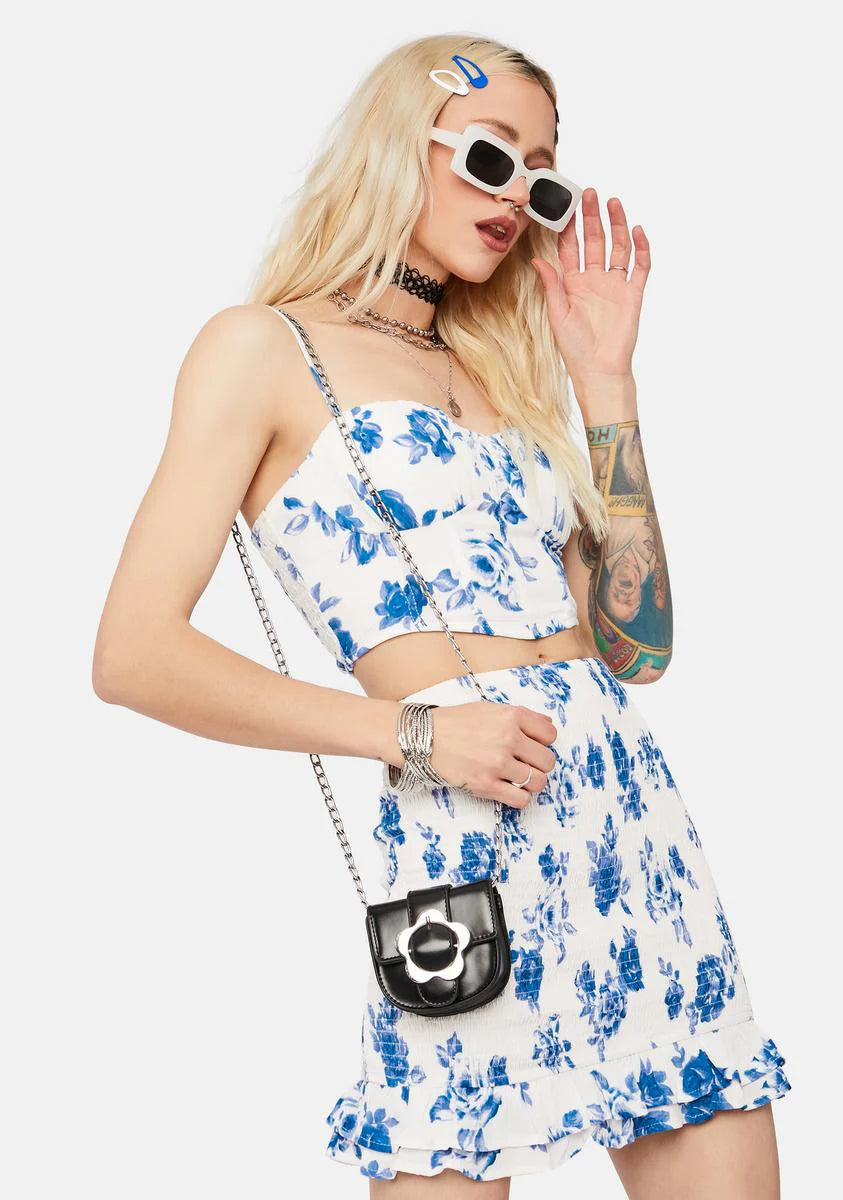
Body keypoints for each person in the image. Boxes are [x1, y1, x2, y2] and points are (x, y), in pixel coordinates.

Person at [92, 33, 791, 1200]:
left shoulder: (506, 374)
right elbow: (133, 654)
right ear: (398, 145)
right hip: (465, 834)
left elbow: (637, 649)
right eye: (490, 157)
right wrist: (414, 734)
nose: (516, 197)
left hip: (629, 823)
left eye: (543, 179)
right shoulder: (263, 350)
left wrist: (605, 383)